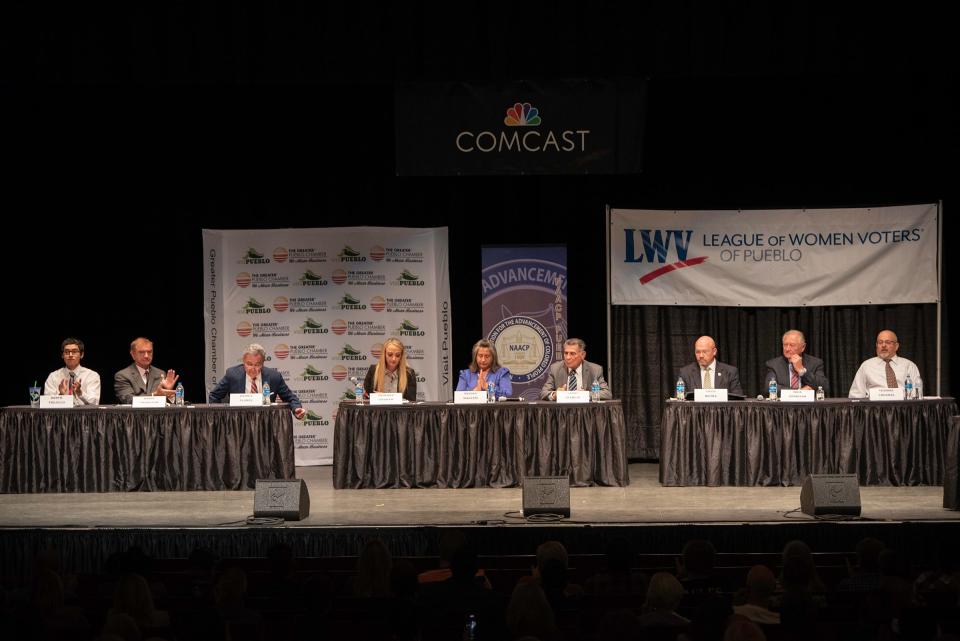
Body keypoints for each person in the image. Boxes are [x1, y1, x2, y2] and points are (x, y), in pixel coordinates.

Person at [208, 343, 305, 418]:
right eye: (249, 364)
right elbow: (214, 395)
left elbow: (290, 397)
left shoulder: (274, 377)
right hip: (237, 424)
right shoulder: (232, 374)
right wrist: (219, 417)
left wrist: (297, 408)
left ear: (263, 363)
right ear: (243, 361)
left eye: (257, 364)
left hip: (265, 423)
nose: (253, 368)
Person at [848, 329, 922, 398]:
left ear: (896, 346)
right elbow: (855, 396)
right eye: (880, 342)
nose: (883, 345)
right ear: (876, 345)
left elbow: (916, 394)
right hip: (874, 410)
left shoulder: (909, 366)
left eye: (888, 342)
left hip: (903, 409)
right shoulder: (866, 366)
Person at [539, 338, 612, 400]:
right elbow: (543, 393)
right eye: (566, 353)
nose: (568, 357)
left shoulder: (595, 370)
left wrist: (584, 395)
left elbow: (607, 394)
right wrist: (555, 395)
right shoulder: (555, 368)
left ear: (583, 355)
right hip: (562, 412)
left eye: (572, 353)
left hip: (585, 412)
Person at [113, 337, 178, 404]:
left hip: (158, 414)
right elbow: (128, 400)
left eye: (149, 352)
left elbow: (167, 404)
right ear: (133, 354)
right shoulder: (122, 375)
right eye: (141, 352)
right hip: (135, 414)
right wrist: (154, 395)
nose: (146, 356)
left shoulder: (160, 374)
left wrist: (169, 392)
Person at [764, 329, 829, 395]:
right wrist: (799, 392)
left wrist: (802, 370)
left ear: (803, 347)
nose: (787, 349)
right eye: (785, 345)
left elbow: (824, 386)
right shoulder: (773, 364)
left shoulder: (815, 363)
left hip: (808, 405)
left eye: (792, 345)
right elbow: (769, 388)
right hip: (784, 404)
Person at [677, 335, 744, 397]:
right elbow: (678, 401)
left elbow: (738, 400)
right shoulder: (685, 373)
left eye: (704, 351)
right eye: (698, 352)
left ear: (714, 351)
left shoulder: (730, 372)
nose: (701, 356)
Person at [43, 338, 101, 405]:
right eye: (67, 352)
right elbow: (46, 404)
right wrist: (61, 395)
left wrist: (80, 393)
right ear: (62, 355)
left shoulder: (92, 375)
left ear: (81, 355)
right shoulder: (53, 376)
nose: (70, 355)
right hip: (60, 414)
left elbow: (95, 402)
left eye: (74, 351)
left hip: (84, 414)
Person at [363, 337, 417, 402]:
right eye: (390, 354)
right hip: (378, 411)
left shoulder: (409, 373)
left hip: (400, 411)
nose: (394, 359)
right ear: (384, 354)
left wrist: (388, 399)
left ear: (401, 356)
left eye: (397, 355)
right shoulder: (373, 370)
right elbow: (366, 398)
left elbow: (411, 401)